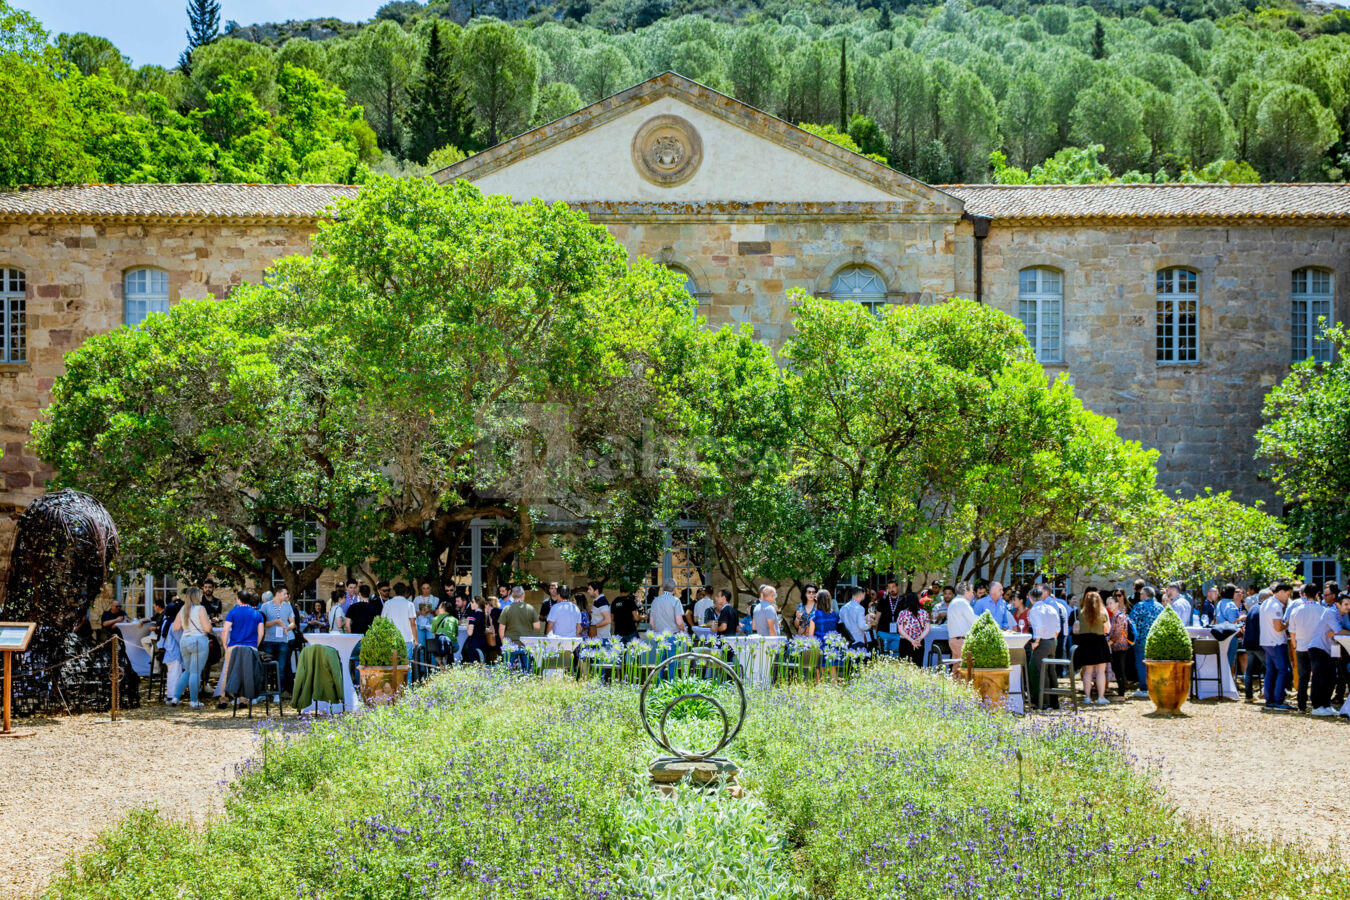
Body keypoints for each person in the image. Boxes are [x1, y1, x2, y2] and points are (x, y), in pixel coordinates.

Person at [217, 590, 265, 708]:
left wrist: (224, 643)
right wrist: (255, 645)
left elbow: (225, 629)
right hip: (250, 647)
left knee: (227, 671)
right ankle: (243, 700)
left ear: (239, 599)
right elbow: (261, 633)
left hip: (234, 646)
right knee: (246, 673)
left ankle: (224, 698)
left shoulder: (233, 612)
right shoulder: (257, 614)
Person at [1306, 592, 1348, 716]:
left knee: (1331, 679)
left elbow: (1338, 632)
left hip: (1330, 651)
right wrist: (1338, 632)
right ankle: (1316, 706)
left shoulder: (1341, 615)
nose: (1348, 607)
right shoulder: (1331, 612)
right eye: (1346, 604)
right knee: (1319, 678)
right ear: (1338, 604)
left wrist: (1338, 632)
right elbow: (1339, 631)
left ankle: (1326, 705)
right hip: (1319, 649)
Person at [169, 588, 213, 708]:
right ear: (195, 596)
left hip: (185, 640)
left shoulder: (183, 609)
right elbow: (207, 628)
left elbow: (176, 627)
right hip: (198, 640)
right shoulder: (200, 609)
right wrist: (209, 622)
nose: (201, 597)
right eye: (200, 595)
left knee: (187, 671)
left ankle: (175, 697)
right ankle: (194, 700)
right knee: (195, 672)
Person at [1288, 582, 1327, 713]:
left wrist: (1294, 645)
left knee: (1303, 676)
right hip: (1317, 646)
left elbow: (1291, 631)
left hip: (1301, 646)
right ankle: (1317, 703)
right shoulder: (1322, 610)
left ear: (1304, 595)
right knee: (1317, 676)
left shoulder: (1296, 610)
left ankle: (1301, 705)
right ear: (1317, 595)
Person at [1073, 591, 1112, 705]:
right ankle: (1101, 697)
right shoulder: (1102, 612)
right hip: (1099, 641)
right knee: (1100, 671)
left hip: (1085, 642)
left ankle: (1087, 697)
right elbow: (1107, 629)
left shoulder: (1081, 613)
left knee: (1087, 671)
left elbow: (1077, 629)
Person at [1260, 583, 1294, 711]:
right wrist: (1287, 623)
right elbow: (1278, 627)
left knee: (1271, 671)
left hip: (1267, 641)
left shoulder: (1266, 603)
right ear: (1280, 591)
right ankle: (1278, 700)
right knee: (1283, 671)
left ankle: (1270, 700)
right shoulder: (1276, 606)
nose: (1288, 596)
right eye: (1287, 593)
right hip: (1276, 642)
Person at [258, 587, 296, 702]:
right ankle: (264, 692)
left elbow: (293, 622)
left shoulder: (287, 606)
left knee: (281, 668)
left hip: (283, 641)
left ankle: (277, 693)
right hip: (269, 641)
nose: (286, 596)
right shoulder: (265, 606)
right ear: (278, 594)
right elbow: (262, 624)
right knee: (267, 668)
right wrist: (276, 622)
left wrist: (288, 627)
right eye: (285, 593)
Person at [1128, 587, 1164, 699]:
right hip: (1156, 640)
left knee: (1141, 663)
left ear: (1144, 595)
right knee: (1154, 663)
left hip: (1141, 639)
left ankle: (1144, 688)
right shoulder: (1160, 607)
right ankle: (1155, 686)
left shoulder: (1139, 606)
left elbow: (1130, 621)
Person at [1027, 587, 1060, 709]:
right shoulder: (1050, 608)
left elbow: (1038, 627)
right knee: (1052, 672)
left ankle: (1044, 703)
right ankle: (1054, 701)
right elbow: (1058, 627)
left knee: (1042, 672)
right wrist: (1054, 638)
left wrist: (1036, 642)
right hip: (1052, 641)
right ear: (1041, 596)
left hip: (1042, 642)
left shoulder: (1034, 610)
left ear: (1030, 598)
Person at [382, 583, 419, 677]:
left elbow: (383, 621)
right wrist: (416, 639)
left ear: (394, 591)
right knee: (406, 666)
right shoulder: (409, 604)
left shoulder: (387, 603)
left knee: (392, 665)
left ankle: (393, 688)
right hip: (406, 638)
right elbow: (413, 623)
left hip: (391, 638)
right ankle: (407, 688)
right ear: (405, 592)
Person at [1242, 589, 1269, 700]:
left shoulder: (1252, 608)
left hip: (1248, 643)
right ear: (1265, 598)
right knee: (1270, 668)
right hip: (1258, 644)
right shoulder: (1263, 609)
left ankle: (1248, 695)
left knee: (1249, 671)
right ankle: (1267, 693)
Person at [893, 591, 929, 668]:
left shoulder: (902, 613)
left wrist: (911, 640)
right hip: (919, 642)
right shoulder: (924, 613)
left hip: (905, 642)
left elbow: (900, 630)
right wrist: (919, 639)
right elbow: (927, 628)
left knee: (904, 666)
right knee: (918, 665)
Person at [945, 582, 977, 667]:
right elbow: (974, 620)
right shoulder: (962, 602)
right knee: (963, 669)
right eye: (972, 592)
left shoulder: (954, 601)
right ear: (966, 592)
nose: (972, 594)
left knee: (956, 669)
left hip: (955, 640)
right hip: (961, 640)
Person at [1107, 591, 1130, 696]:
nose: (1109, 606)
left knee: (1120, 669)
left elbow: (1117, 632)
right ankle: (1121, 690)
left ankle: (1122, 693)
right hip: (1114, 646)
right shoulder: (1112, 616)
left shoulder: (1120, 616)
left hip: (1120, 646)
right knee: (1116, 669)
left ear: (1117, 604)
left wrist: (1109, 643)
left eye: (1111, 603)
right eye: (1107, 604)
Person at [462, 596, 491, 664]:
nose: (470, 603)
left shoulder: (473, 616)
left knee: (474, 663)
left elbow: (470, 633)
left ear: (477, 604)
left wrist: (467, 624)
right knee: (481, 662)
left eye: (472, 602)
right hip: (483, 641)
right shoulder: (484, 615)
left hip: (474, 643)